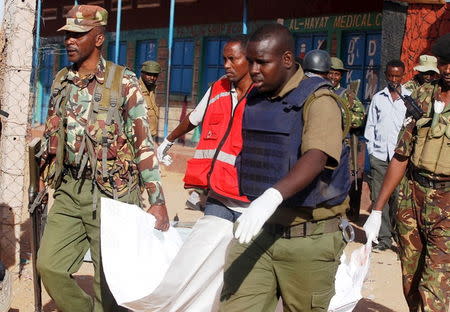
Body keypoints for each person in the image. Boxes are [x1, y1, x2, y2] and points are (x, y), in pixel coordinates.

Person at [35, 5, 169, 312]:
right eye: (68, 34)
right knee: (50, 266)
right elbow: (52, 133)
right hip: (69, 189)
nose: (70, 40)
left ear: (98, 38)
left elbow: (143, 144)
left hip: (113, 195)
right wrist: (43, 173)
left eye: (78, 34)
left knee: (108, 283)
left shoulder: (124, 82)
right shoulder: (60, 81)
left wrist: (157, 200)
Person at [219, 24, 351, 312]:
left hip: (309, 238)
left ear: (288, 60)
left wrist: (272, 196)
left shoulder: (320, 100)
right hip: (260, 231)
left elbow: (316, 156)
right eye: (251, 60)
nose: (253, 69)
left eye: (262, 62)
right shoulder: (256, 97)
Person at [363, 34, 450, 312]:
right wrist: (377, 210)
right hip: (411, 198)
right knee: (410, 279)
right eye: (445, 62)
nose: (447, 69)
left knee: (435, 288)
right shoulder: (424, 94)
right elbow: (402, 153)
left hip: (447, 205)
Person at [157, 35, 253, 220]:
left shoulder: (263, 94)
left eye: (233, 59)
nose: (226, 65)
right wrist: (169, 140)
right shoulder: (218, 88)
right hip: (218, 193)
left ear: (249, 59)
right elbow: (193, 119)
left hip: (249, 195)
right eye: (224, 59)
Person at [364, 60, 411, 251]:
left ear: (403, 76)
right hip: (380, 158)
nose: (393, 79)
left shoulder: (409, 99)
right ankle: (384, 239)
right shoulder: (378, 98)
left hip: (399, 159)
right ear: (386, 75)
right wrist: (371, 153)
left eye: (397, 76)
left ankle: (398, 237)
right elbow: (370, 127)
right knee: (378, 198)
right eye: (390, 76)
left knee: (398, 199)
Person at [328, 57, 365, 129]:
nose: (333, 77)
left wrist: (341, 115)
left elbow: (360, 118)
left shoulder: (347, 95)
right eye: (330, 73)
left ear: (341, 76)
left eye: (337, 74)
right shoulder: (318, 92)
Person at [139, 60, 161, 141]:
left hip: (150, 137)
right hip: (139, 136)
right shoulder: (135, 89)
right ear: (142, 73)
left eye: (155, 75)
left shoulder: (152, 90)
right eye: (149, 74)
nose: (152, 78)